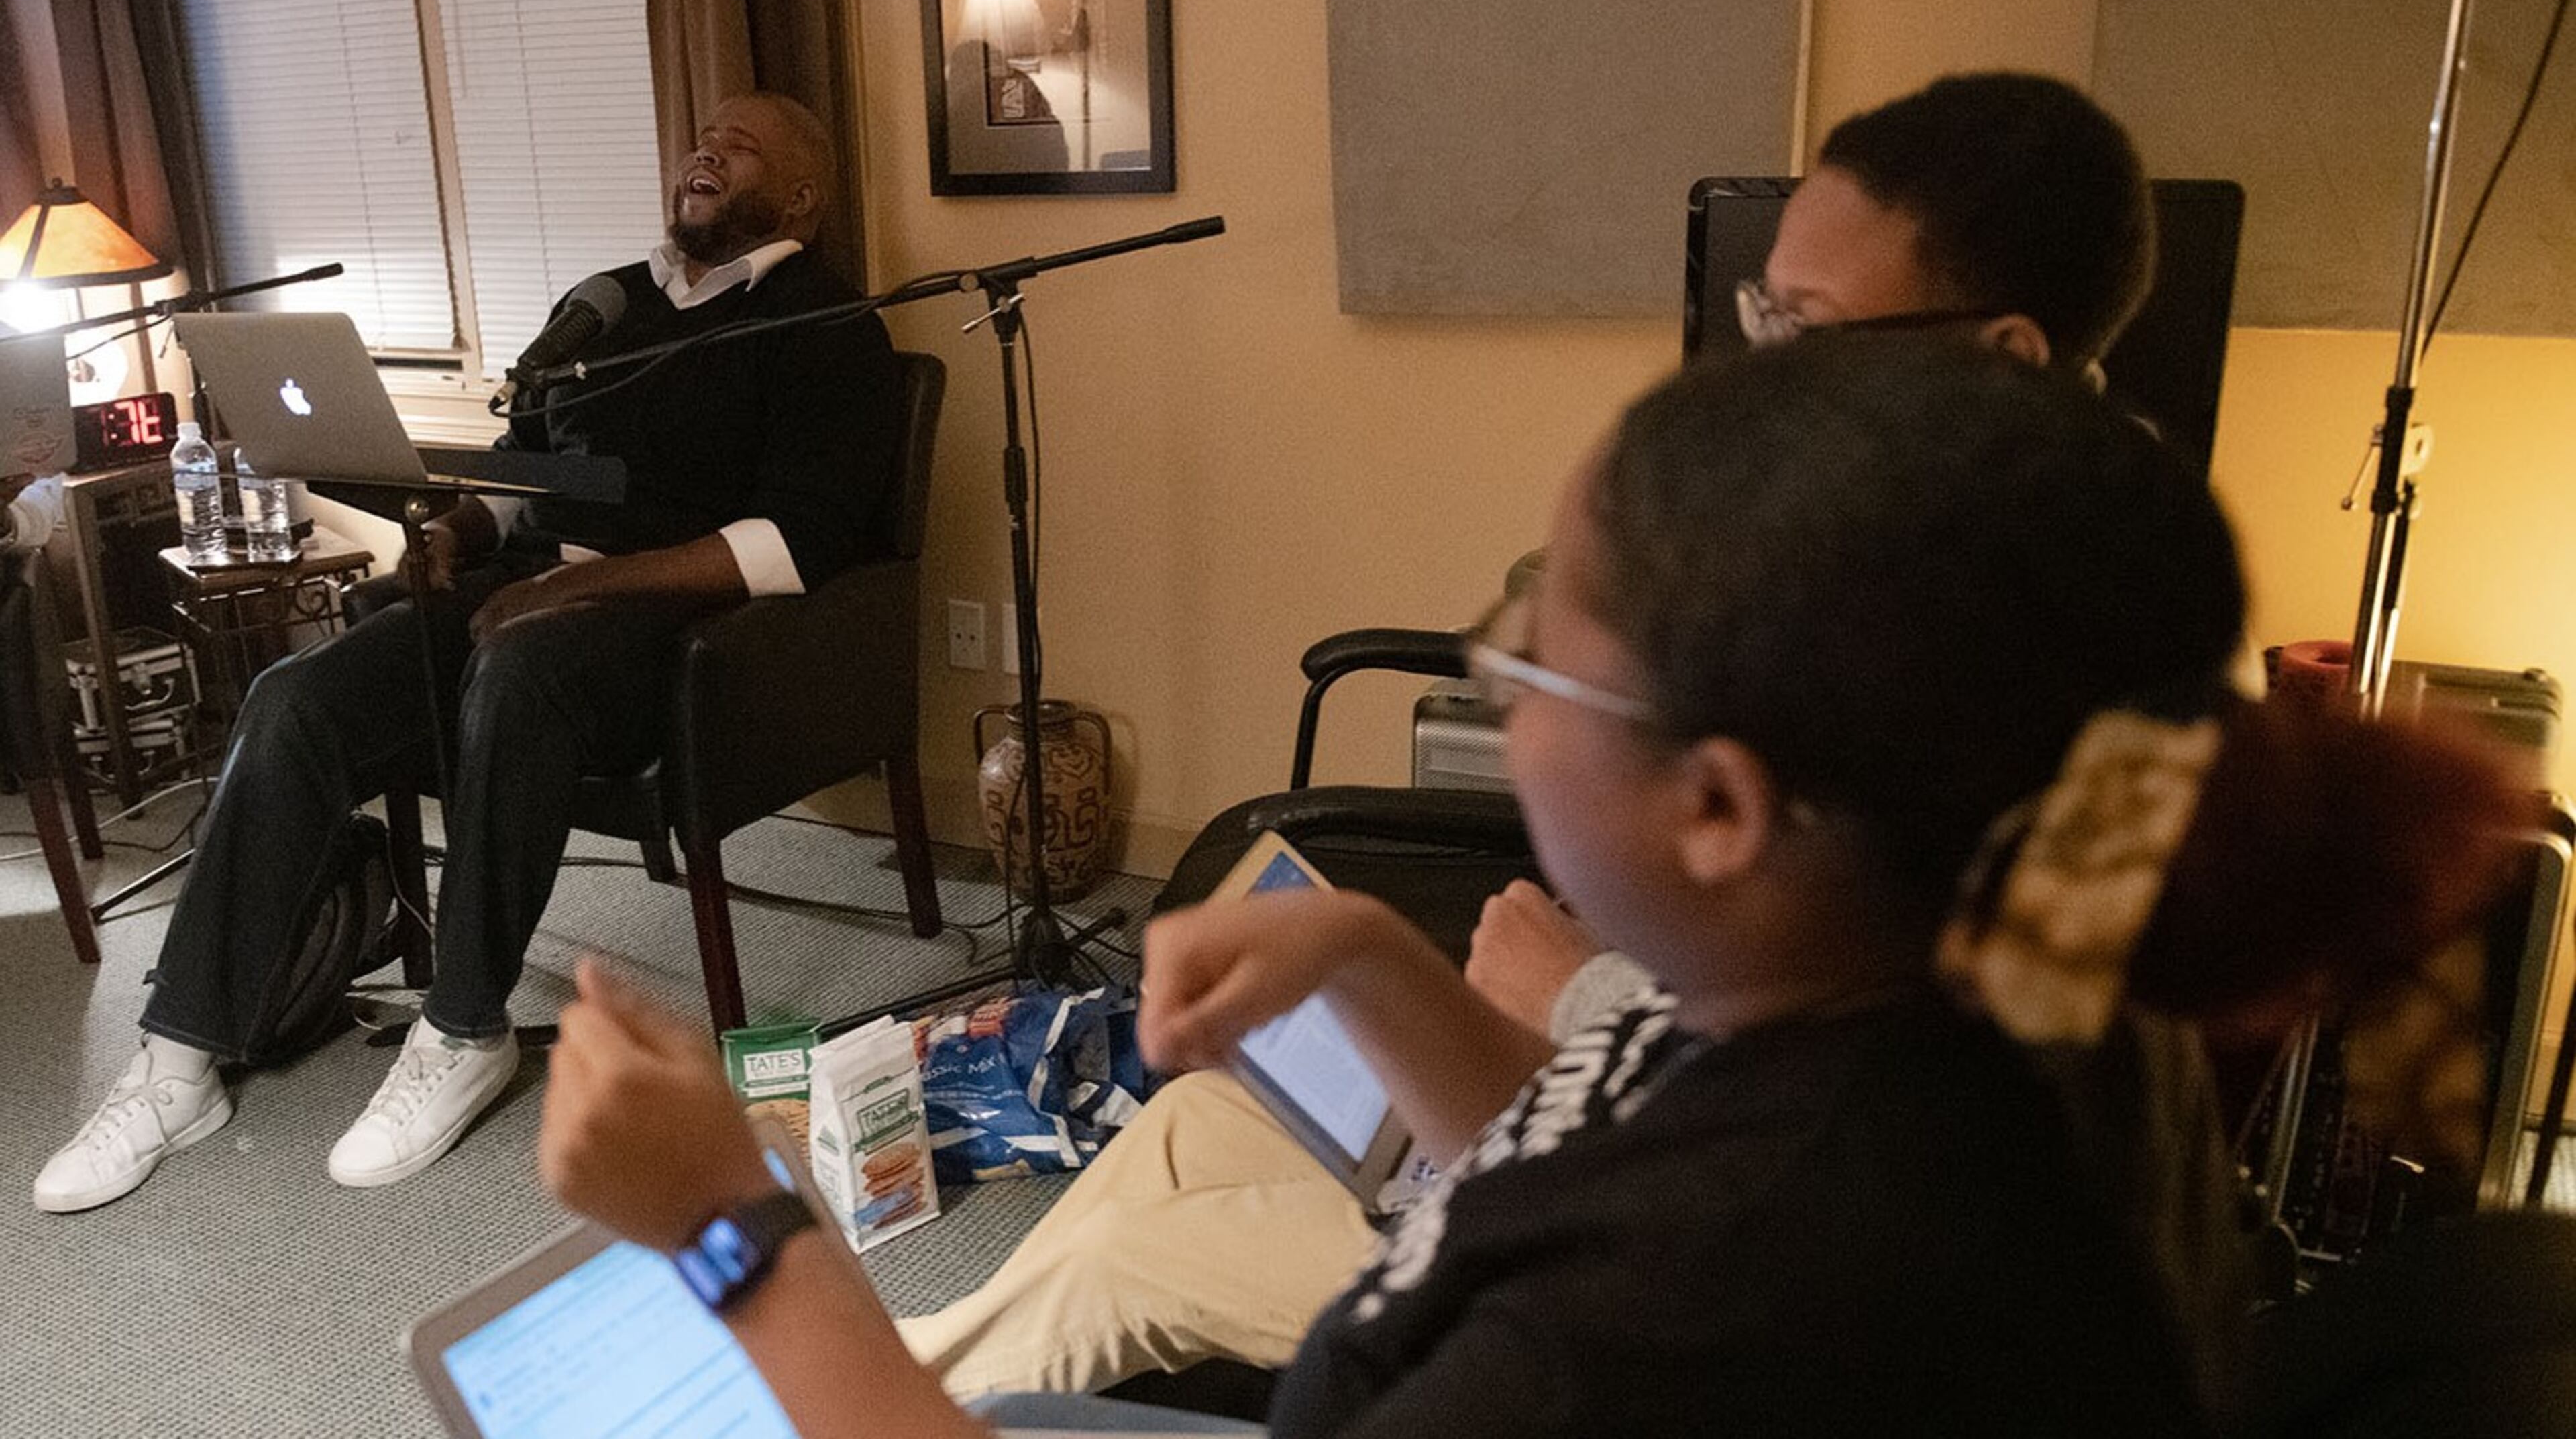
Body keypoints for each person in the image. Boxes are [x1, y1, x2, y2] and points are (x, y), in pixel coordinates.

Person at [539, 335, 2515, 1434]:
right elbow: (1595, 1160)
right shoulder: (2012, 989)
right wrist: (1372, 960)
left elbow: (1635, 1265)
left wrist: (736, 1231)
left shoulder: (1677, 1332)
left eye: (1538, 641)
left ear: (1723, 808)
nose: (1490, 670)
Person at [892, 68, 2171, 1399]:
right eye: (1763, 312)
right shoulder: (1915, 590)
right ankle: (896, 1373)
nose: (1760, 369)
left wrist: (737, 1246)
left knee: (1131, 1265)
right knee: (1202, 1118)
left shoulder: (2001, 751)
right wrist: (1368, 949)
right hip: (1562, 1124)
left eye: (1812, 328)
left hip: (1575, 1203)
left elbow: (1749, 1143)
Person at [33, 91, 906, 1214]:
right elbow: (525, 471)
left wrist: (580, 586)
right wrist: (457, 529)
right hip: (535, 595)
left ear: (801, 198)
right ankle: (178, 1059)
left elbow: (795, 543)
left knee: (519, 671)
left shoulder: (825, 326)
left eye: (738, 150)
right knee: (295, 696)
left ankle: (463, 1026)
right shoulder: (604, 306)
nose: (705, 153)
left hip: (686, 635)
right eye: (700, 140)